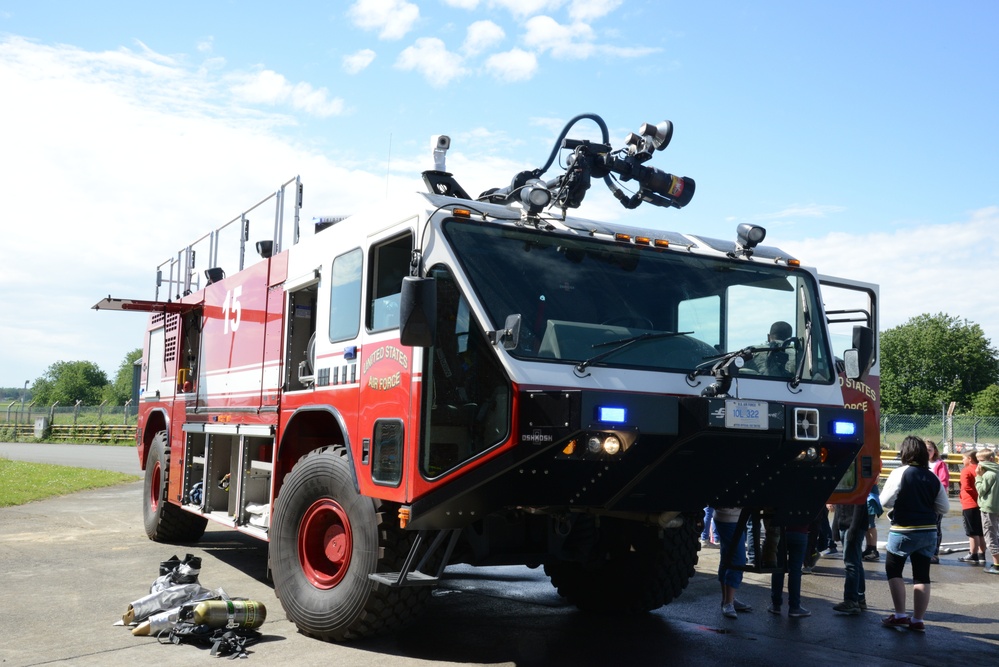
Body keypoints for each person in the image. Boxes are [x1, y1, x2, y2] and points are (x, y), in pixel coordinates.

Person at [880, 435, 950, 632]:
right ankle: (918, 619)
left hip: (903, 529)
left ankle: (900, 614)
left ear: (904, 452)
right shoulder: (932, 476)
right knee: (922, 575)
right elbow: (943, 508)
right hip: (928, 531)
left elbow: (885, 501)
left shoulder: (899, 473)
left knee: (894, 570)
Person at [713, 506, 752, 618]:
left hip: (729, 517)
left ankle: (727, 600)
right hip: (730, 518)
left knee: (727, 558)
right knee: (737, 561)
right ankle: (728, 602)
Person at [832, 502, 869, 615]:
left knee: (851, 564)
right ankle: (859, 598)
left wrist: (853, 528)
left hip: (853, 526)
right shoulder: (843, 485)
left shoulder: (857, 485)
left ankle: (851, 600)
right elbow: (839, 504)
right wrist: (835, 527)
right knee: (855, 562)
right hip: (845, 525)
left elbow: (860, 505)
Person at [768, 522, 810, 617]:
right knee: (795, 571)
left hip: (781, 530)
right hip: (801, 531)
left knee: (778, 569)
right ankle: (794, 607)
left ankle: (776, 604)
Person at [958, 450, 986, 564]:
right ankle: (981, 554)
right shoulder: (981, 469)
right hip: (981, 504)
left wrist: (976, 497)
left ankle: (973, 554)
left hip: (970, 504)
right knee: (981, 531)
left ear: (969, 459)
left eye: (963, 458)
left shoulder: (966, 470)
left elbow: (967, 487)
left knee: (972, 531)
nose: (962, 461)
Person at [975, 449, 999, 574]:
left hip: (988, 508)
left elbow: (981, 490)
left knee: (990, 535)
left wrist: (978, 477)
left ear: (990, 459)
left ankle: (997, 565)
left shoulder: (989, 474)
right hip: (997, 506)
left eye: (981, 461)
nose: (979, 464)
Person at [926, 439, 949, 564]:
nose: (927, 452)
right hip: (922, 500)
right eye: (925, 450)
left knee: (935, 527)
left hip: (935, 501)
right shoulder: (919, 464)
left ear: (934, 451)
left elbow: (943, 482)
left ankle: (934, 553)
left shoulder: (939, 464)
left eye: (930, 450)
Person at [863, 484, 883, 562]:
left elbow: (875, 479)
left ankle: (873, 550)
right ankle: (868, 548)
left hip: (870, 498)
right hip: (866, 497)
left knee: (870, 525)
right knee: (866, 526)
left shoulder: (873, 472)